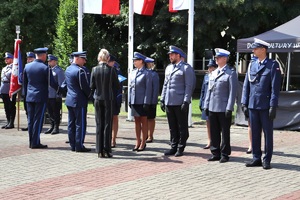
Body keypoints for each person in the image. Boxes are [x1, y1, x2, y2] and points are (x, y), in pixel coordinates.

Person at [242, 38, 281, 170]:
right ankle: (256, 157)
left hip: (265, 105)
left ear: (263, 50)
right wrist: (244, 102)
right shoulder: (252, 65)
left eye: (256, 48)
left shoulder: (273, 65)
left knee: (267, 134)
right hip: (253, 104)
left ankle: (267, 159)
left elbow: (275, 88)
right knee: (255, 132)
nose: (253, 50)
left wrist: (273, 106)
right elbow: (246, 85)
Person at [203, 48, 238, 163]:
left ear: (225, 59)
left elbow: (232, 92)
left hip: (223, 107)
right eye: (216, 57)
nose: (216, 59)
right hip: (213, 106)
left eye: (218, 57)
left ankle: (225, 153)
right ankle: (215, 152)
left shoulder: (231, 73)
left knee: (225, 132)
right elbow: (209, 90)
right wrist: (206, 105)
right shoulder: (213, 73)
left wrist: (229, 107)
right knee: (214, 131)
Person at [161, 45, 195, 157]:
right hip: (169, 101)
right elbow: (165, 85)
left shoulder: (186, 68)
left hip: (180, 101)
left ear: (178, 55)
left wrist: (186, 101)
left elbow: (189, 85)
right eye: (169, 55)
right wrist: (162, 99)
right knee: (172, 126)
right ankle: (173, 146)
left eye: (172, 54)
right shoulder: (168, 68)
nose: (170, 56)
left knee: (182, 126)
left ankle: (181, 147)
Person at [23, 47, 59, 149]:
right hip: (40, 97)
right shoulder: (45, 68)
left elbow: (25, 83)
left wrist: (25, 95)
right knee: (38, 120)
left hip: (29, 97)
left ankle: (32, 141)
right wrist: (60, 90)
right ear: (43, 55)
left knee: (30, 120)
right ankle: (35, 142)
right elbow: (52, 83)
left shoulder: (27, 66)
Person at [90, 49, 120, 158]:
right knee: (108, 124)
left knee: (99, 123)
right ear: (107, 58)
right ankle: (107, 149)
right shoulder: (112, 70)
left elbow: (92, 86)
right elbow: (117, 86)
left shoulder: (94, 69)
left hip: (98, 99)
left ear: (99, 58)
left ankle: (99, 150)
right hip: (108, 99)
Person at [62, 51, 91, 152]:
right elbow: (84, 87)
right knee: (80, 124)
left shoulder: (68, 69)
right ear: (77, 58)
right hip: (79, 100)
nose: (84, 62)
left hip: (70, 100)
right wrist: (90, 95)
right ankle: (79, 145)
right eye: (83, 59)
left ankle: (72, 144)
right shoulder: (80, 71)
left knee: (71, 123)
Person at [129, 52, 152, 152]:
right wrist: (130, 100)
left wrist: (146, 102)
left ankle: (143, 142)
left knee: (144, 121)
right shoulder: (133, 72)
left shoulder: (147, 73)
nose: (134, 62)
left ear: (141, 61)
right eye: (134, 60)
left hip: (142, 101)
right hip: (134, 101)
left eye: (136, 60)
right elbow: (131, 88)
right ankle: (137, 141)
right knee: (136, 122)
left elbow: (148, 89)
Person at [44, 54, 65, 134]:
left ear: (55, 61)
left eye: (51, 61)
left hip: (55, 95)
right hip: (48, 95)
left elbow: (61, 84)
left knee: (56, 112)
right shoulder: (47, 70)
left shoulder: (59, 71)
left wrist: (58, 95)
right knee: (49, 112)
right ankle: (51, 125)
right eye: (48, 61)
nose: (49, 62)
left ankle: (56, 127)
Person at [199, 59, 217, 149]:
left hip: (215, 102)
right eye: (209, 67)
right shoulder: (206, 77)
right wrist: (201, 102)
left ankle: (216, 141)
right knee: (208, 122)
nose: (210, 69)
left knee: (216, 123)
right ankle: (209, 140)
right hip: (206, 103)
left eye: (212, 67)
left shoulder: (217, 75)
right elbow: (203, 90)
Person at [107, 56, 123, 148]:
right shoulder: (104, 69)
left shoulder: (117, 70)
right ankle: (107, 138)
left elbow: (119, 86)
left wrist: (118, 98)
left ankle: (113, 139)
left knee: (114, 118)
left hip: (115, 98)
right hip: (106, 98)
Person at [145, 57, 159, 143]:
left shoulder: (154, 74)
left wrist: (154, 101)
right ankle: (145, 134)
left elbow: (156, 89)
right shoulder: (143, 73)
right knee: (144, 118)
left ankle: (150, 135)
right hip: (143, 100)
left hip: (151, 100)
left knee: (150, 118)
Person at [1, 52, 16, 129]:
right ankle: (8, 121)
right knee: (6, 106)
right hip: (4, 88)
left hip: (11, 89)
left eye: (8, 58)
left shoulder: (14, 68)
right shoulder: (4, 68)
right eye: (5, 59)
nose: (6, 60)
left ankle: (11, 122)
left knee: (11, 106)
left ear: (12, 59)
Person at [21, 52, 35, 131]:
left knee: (34, 112)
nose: (28, 59)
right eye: (27, 58)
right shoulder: (26, 67)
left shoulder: (35, 68)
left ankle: (34, 126)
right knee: (27, 111)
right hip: (26, 93)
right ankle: (29, 124)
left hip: (33, 93)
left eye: (30, 58)